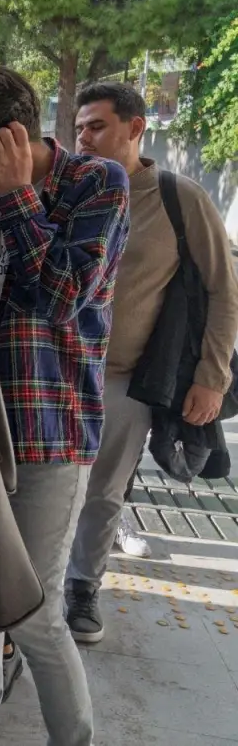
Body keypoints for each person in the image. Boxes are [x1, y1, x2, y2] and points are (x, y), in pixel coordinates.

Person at [0, 67, 130, 746]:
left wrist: (16, 197)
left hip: (51, 428)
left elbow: (62, 296)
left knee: (34, 609)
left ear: (9, 139)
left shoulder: (97, 183)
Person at [66, 82, 238, 641]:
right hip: (55, 372)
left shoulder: (178, 197)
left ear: (136, 128)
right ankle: (33, 587)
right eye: (79, 128)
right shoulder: (67, 188)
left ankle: (82, 587)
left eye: (97, 126)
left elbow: (223, 290)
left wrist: (212, 377)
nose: (83, 138)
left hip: (125, 375)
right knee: (44, 486)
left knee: (104, 489)